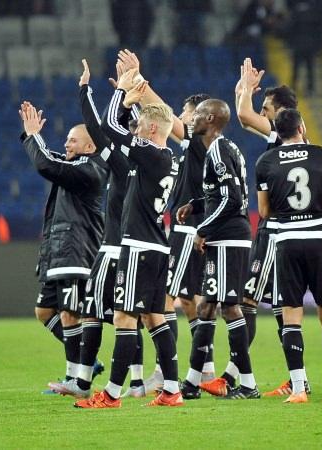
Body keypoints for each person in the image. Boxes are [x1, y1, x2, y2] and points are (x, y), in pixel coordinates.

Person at [75, 69, 182, 408]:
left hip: (138, 247)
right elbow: (118, 131)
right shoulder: (167, 159)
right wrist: (133, 103)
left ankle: (111, 394)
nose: (134, 131)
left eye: (139, 127)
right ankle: (173, 390)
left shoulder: (151, 155)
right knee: (155, 318)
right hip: (158, 247)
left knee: (124, 318)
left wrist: (122, 93)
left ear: (151, 131)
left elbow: (109, 127)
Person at [113, 48, 216, 392]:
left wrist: (137, 82)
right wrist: (135, 96)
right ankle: (201, 370)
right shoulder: (190, 148)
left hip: (188, 230)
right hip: (184, 228)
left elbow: (165, 119)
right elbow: (156, 124)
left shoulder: (200, 140)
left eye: (186, 112)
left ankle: (170, 371)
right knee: (184, 301)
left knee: (167, 301)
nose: (181, 117)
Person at [201, 58, 304, 398]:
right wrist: (240, 91)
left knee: (246, 299)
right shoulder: (292, 138)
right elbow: (247, 119)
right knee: (279, 304)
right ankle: (292, 378)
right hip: (288, 229)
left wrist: (245, 90)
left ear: (282, 112)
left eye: (267, 109)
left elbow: (244, 117)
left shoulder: (284, 135)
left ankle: (238, 379)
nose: (263, 113)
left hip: (276, 230)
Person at [47, 59, 139, 399]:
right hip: (137, 246)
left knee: (99, 314)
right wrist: (128, 98)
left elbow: (100, 127)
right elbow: (117, 127)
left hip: (116, 247)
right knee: (140, 317)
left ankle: (91, 385)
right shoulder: (155, 158)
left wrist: (95, 91)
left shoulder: (125, 162)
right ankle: (143, 382)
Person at [256, 108, 322, 403]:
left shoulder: (266, 161)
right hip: (321, 238)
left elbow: (264, 211)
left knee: (291, 315)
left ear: (278, 131)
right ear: (301, 127)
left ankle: (299, 389)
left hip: (288, 239)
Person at [18, 102, 108, 390]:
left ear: (90, 146)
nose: (66, 144)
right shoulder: (76, 165)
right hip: (60, 251)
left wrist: (34, 136)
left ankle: (75, 376)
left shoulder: (90, 169)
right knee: (45, 311)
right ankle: (86, 362)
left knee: (70, 314)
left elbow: (47, 164)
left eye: (72, 140)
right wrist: (32, 136)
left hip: (76, 251)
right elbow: (51, 159)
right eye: (67, 139)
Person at [177, 99, 259, 400]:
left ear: (210, 118)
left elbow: (232, 199)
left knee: (229, 307)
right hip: (227, 236)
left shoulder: (219, 150)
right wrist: (196, 205)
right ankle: (191, 383)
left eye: (198, 114)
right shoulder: (225, 148)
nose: (193, 119)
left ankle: (248, 384)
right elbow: (221, 195)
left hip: (227, 237)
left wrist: (202, 229)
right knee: (207, 307)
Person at [284, 0, 322, 96]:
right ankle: (310, 88)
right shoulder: (313, 9)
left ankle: (294, 87)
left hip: (299, 43)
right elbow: (319, 28)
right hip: (309, 43)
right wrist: (319, 45)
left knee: (297, 67)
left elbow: (290, 26)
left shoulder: (296, 10)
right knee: (309, 67)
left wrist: (289, 42)